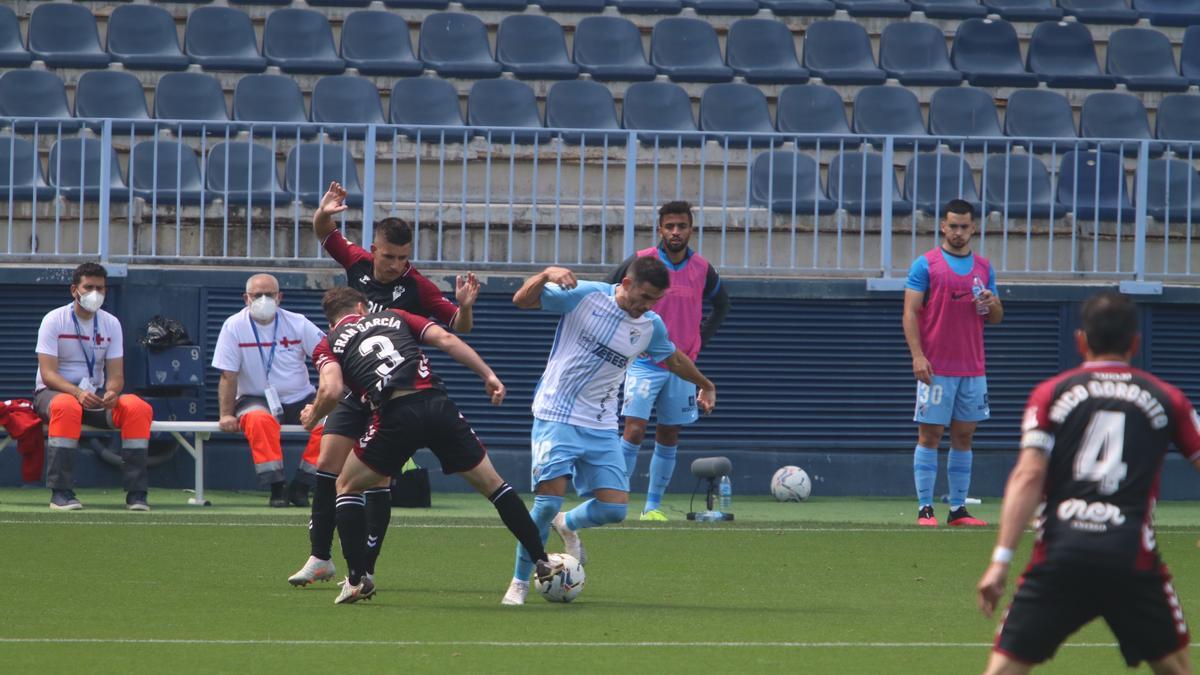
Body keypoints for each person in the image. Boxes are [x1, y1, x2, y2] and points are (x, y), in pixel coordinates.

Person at [976, 292, 1200, 675]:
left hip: (1061, 555)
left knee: (1002, 671)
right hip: (1131, 559)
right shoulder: (1168, 398)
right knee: (1175, 668)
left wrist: (1000, 561)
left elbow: (1029, 474)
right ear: (1135, 343)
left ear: (1080, 340)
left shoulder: (1051, 393)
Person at [300, 287, 554, 604]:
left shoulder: (328, 343)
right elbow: (447, 340)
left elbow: (332, 389)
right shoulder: (394, 316)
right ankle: (542, 559)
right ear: (363, 308)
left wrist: (313, 416)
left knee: (347, 486)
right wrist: (487, 374)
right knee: (494, 486)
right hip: (438, 406)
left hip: (395, 416)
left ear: (331, 322)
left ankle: (356, 580)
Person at [288, 181, 480, 586]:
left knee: (377, 479)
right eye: (389, 256)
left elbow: (457, 328)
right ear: (373, 250)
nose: (396, 265)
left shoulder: (417, 286)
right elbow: (323, 231)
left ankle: (365, 569)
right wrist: (323, 211)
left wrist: (464, 308)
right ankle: (320, 557)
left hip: (393, 397)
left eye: (403, 257)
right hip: (356, 391)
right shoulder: (355, 262)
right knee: (326, 463)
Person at [502, 257, 717, 605]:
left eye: (654, 300)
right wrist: (544, 275)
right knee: (545, 504)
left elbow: (674, 358)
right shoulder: (585, 295)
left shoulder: (650, 325)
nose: (646, 306)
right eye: (644, 297)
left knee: (615, 508)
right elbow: (522, 301)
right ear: (628, 284)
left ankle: (568, 523)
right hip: (556, 414)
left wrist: (706, 384)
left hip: (601, 424)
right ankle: (520, 582)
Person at [609, 201, 731, 521]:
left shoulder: (703, 268)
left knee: (669, 433)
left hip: (681, 364)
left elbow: (722, 305)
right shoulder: (641, 261)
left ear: (691, 229)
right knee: (634, 429)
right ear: (660, 229)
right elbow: (610, 291)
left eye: (682, 226)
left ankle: (653, 506)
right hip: (643, 361)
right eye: (669, 226)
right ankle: (617, 500)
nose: (675, 232)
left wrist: (699, 338)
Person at [902, 199, 1003, 527]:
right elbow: (909, 313)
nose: (958, 232)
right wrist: (918, 355)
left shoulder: (984, 268)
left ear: (973, 228)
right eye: (952, 226)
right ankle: (925, 508)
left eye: (964, 226)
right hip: (937, 368)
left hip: (973, 368)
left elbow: (996, 318)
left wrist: (993, 302)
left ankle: (958, 509)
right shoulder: (926, 264)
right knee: (929, 435)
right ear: (942, 227)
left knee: (964, 436)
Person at [34, 262, 154, 511]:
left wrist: (112, 392)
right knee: (68, 407)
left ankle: (137, 493)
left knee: (137, 408)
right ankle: (61, 492)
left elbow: (116, 375)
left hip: (95, 396)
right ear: (74, 290)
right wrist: (77, 392)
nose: (95, 293)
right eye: (88, 287)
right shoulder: (54, 320)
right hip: (53, 394)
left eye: (100, 288)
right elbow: (47, 374)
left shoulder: (111, 324)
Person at [212, 274, 326, 507]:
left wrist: (321, 401)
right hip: (253, 398)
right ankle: (277, 487)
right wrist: (225, 414)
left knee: (333, 419)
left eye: (269, 295)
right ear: (246, 298)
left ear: (279, 297)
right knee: (258, 420)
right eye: (257, 295)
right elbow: (228, 375)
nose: (263, 300)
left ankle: (303, 485)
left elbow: (327, 358)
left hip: (300, 397)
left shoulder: (299, 323)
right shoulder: (233, 326)